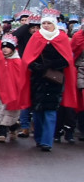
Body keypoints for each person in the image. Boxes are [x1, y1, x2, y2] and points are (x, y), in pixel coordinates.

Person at [23, 10, 74, 151]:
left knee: (51, 112)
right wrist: (38, 67)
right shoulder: (36, 38)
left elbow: (67, 60)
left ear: (54, 24)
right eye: (43, 23)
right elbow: (28, 59)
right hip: (38, 80)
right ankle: (39, 138)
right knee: (38, 112)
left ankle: (47, 141)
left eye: (49, 23)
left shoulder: (62, 38)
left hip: (55, 80)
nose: (46, 26)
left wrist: (53, 64)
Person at [0, 33, 27, 142]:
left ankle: (12, 128)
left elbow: (20, 78)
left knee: (10, 114)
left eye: (8, 47)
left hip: (13, 91)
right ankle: (1, 132)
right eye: (3, 47)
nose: (5, 50)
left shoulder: (17, 61)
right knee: (0, 111)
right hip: (1, 91)